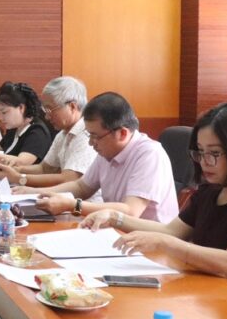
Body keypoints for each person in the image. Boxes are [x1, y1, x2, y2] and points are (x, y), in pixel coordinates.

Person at [81, 103, 227, 307]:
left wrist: (166, 244)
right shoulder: (211, 191)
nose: (204, 161)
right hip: (212, 299)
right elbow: (171, 231)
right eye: (200, 151)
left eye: (214, 153)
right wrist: (114, 217)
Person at [29, 92, 178, 222]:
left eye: (95, 136)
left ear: (122, 133)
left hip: (150, 240)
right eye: (89, 135)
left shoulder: (150, 154)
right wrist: (37, 193)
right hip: (116, 231)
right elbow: (82, 187)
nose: (90, 142)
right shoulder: (107, 150)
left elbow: (131, 211)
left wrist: (73, 205)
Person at [0, 76, 99, 192]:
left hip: (82, 202)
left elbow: (69, 178)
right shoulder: (62, 134)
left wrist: (20, 178)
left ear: (72, 107)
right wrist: (16, 170)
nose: (46, 116)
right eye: (45, 110)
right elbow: (45, 168)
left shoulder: (86, 134)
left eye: (49, 109)